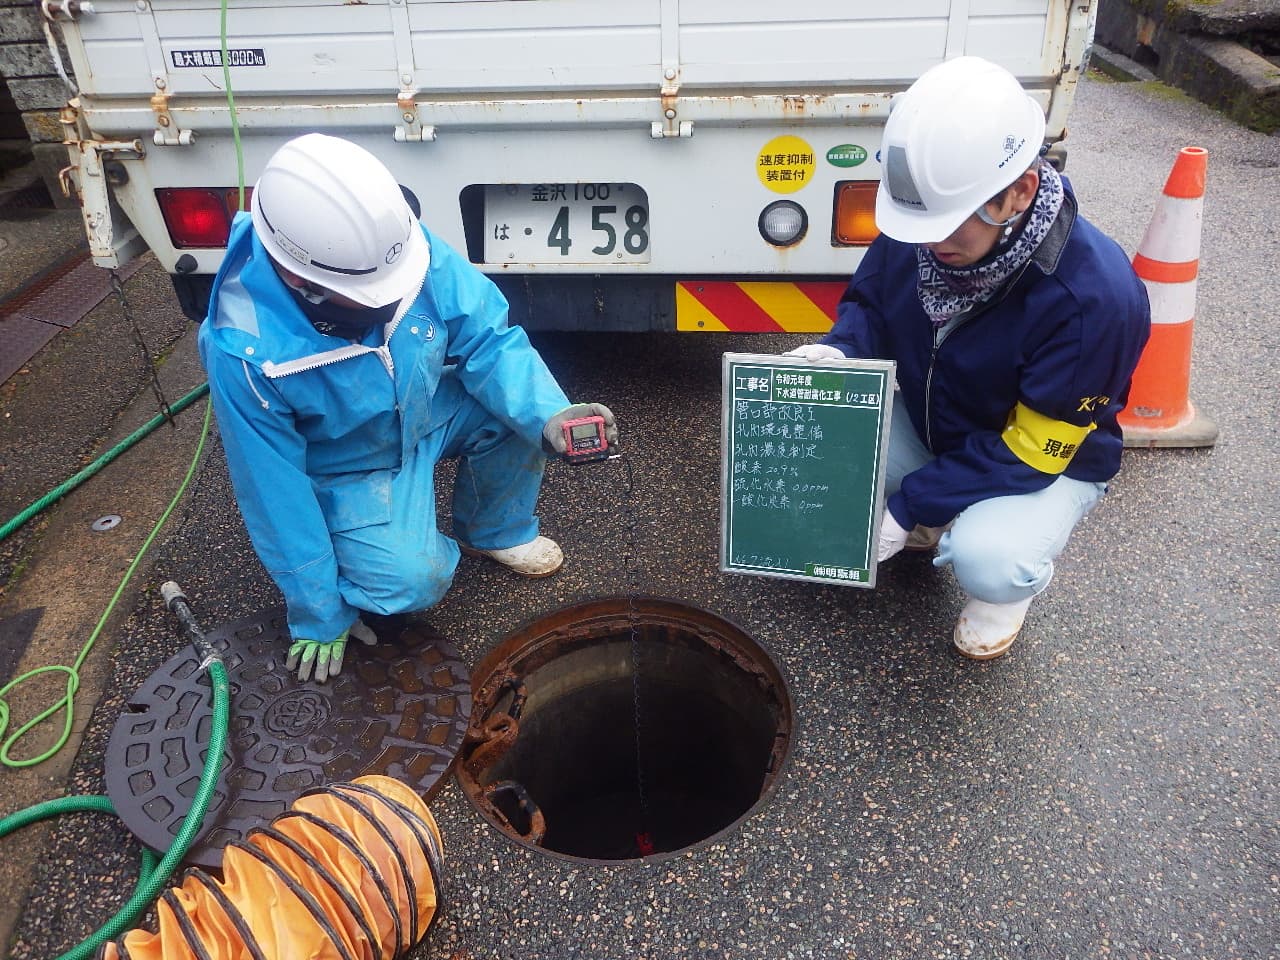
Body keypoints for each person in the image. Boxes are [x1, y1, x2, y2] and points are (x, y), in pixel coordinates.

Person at [198, 133, 616, 682]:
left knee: (516, 415)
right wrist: (317, 610)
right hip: (349, 465)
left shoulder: (393, 245)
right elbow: (273, 490)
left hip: (424, 405)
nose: (396, 299)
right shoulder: (245, 351)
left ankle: (495, 528)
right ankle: (389, 541)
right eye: (375, 296)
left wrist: (550, 415)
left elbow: (488, 340)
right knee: (411, 581)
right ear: (304, 283)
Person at [789, 56, 1150, 660]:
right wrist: (840, 350)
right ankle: (932, 509)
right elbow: (872, 305)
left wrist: (910, 504)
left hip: (1044, 458)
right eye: (919, 224)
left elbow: (1034, 450)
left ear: (1019, 192)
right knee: (825, 460)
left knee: (990, 557)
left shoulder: (1094, 300)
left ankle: (1007, 587)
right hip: (938, 417)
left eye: (951, 225)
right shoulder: (926, 227)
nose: (932, 243)